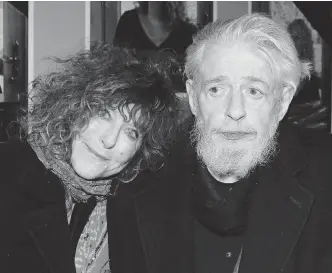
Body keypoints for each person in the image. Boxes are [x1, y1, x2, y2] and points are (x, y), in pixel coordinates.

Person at [107, 14, 332, 273]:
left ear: (282, 102)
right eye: (216, 89)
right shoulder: (135, 181)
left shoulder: (325, 180)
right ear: (192, 97)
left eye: (254, 91)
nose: (235, 110)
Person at [0, 44, 180, 273]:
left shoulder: (130, 208)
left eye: (131, 132)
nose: (109, 140)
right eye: (103, 113)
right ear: (73, 107)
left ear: (142, 149)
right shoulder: (7, 171)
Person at [114, 1, 197, 93]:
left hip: (175, 100)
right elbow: (118, 66)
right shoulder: (128, 21)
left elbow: (192, 74)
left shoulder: (188, 31)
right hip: (136, 99)